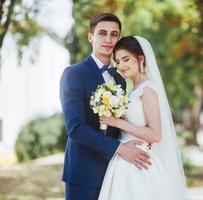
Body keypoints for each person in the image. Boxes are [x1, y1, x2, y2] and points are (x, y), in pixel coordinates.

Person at [59, 14, 151, 200]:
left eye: (114, 34)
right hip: (83, 172)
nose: (108, 39)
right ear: (90, 36)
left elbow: (118, 122)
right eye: (102, 33)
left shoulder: (120, 79)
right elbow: (75, 128)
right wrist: (120, 148)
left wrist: (139, 138)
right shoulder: (74, 74)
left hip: (117, 172)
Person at [98, 36, 188, 200]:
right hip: (124, 158)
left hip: (138, 163)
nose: (121, 66)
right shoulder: (132, 90)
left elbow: (155, 135)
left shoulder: (147, 90)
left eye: (126, 59)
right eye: (118, 61)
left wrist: (117, 122)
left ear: (141, 59)